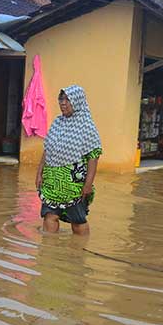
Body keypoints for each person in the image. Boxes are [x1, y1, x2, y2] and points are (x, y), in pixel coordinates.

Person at [36, 85, 103, 235]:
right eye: (61, 99)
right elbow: (47, 150)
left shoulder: (87, 126)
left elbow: (94, 157)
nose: (63, 103)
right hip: (52, 182)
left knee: (78, 221)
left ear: (77, 101)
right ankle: (48, 252)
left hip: (73, 184)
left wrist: (88, 185)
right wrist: (39, 173)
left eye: (68, 99)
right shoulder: (57, 123)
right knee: (49, 216)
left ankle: (79, 252)